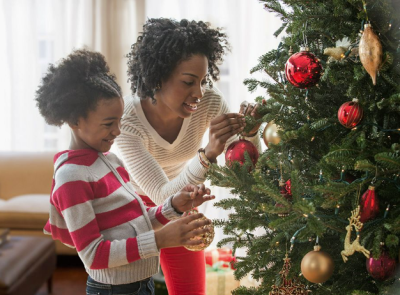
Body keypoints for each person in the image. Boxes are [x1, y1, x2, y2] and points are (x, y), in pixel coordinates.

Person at [35, 49, 215, 295]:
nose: (118, 131)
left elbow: (134, 223)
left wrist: (173, 206)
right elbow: (93, 255)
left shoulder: (110, 161)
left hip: (140, 283)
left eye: (119, 120)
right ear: (76, 121)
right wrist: (161, 240)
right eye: (108, 123)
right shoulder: (72, 177)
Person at [116, 18, 262, 294]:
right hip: (130, 206)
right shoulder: (128, 120)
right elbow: (161, 195)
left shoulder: (209, 101)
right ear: (156, 77)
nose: (198, 92)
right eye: (188, 82)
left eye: (204, 80)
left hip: (182, 199)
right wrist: (207, 154)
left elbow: (241, 172)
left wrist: (250, 135)